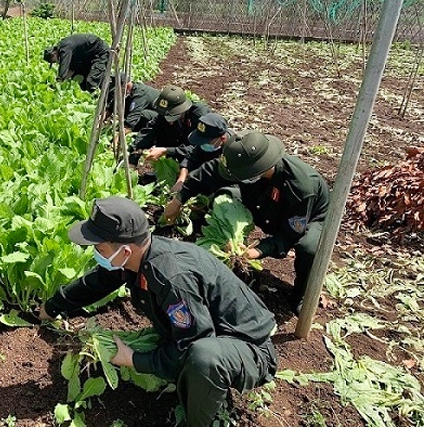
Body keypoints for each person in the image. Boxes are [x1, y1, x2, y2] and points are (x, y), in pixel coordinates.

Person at [39, 196, 277, 427]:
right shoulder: (139, 257)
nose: (96, 254)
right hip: (209, 333)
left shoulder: (171, 278)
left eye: (99, 248)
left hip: (248, 348)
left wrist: (134, 359)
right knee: (189, 350)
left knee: (203, 358)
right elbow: (98, 281)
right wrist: (52, 307)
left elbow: (192, 345)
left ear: (125, 251)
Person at [163, 131, 330, 314]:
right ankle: (227, 247)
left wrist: (258, 250)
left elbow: (290, 234)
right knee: (224, 196)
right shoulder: (241, 158)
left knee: (309, 248)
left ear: (254, 172)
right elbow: (209, 172)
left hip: (307, 216)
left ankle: (302, 294)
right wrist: (178, 200)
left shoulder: (300, 187)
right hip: (262, 203)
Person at [129, 85, 212, 165]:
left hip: (199, 151)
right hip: (181, 140)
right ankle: (168, 164)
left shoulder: (200, 116)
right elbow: (152, 128)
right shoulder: (166, 112)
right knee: (163, 128)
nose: (170, 121)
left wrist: (166, 151)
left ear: (181, 109)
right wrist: (137, 149)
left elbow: (197, 148)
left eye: (172, 117)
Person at [171, 112, 233, 192]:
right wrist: (181, 180)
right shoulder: (208, 142)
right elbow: (191, 158)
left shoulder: (233, 150)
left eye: (206, 142)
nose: (202, 144)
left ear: (222, 138)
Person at [43, 33, 110, 92]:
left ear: (53, 53)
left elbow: (64, 67)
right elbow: (70, 70)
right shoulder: (65, 49)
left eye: (52, 61)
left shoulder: (65, 47)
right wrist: (57, 86)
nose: (55, 62)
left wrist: (59, 81)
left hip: (100, 52)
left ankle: (100, 97)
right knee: (81, 82)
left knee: (91, 82)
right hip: (88, 57)